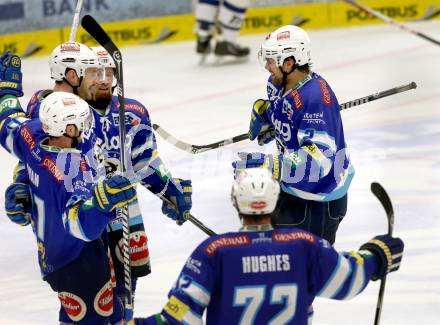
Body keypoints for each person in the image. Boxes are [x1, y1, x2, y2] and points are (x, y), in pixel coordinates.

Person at [136, 168, 404, 324]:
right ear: (276, 201)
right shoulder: (304, 246)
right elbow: (349, 279)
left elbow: (179, 319)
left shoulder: (214, 251)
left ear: (234, 202)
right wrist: (378, 254)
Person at [0, 60, 137, 325]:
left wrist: (6, 93)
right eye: (82, 123)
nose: (88, 128)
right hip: (78, 260)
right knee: (96, 319)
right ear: (70, 129)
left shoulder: (32, 135)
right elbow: (79, 225)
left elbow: (7, 123)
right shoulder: (72, 172)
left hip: (52, 254)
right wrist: (101, 203)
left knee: (108, 315)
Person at [85, 46, 193, 318]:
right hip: (85, 214)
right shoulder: (66, 111)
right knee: (89, 295)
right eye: (95, 73)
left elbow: (146, 163)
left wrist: (171, 191)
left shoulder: (132, 112)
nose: (104, 79)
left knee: (124, 292)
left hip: (125, 214)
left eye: (109, 72)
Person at [233, 25, 355, 245]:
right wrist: (266, 112)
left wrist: (269, 165)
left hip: (317, 201)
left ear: (289, 63)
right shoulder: (277, 83)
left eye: (271, 60)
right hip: (292, 188)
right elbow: (284, 108)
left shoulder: (316, 99)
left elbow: (319, 161)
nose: (267, 66)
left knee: (302, 272)